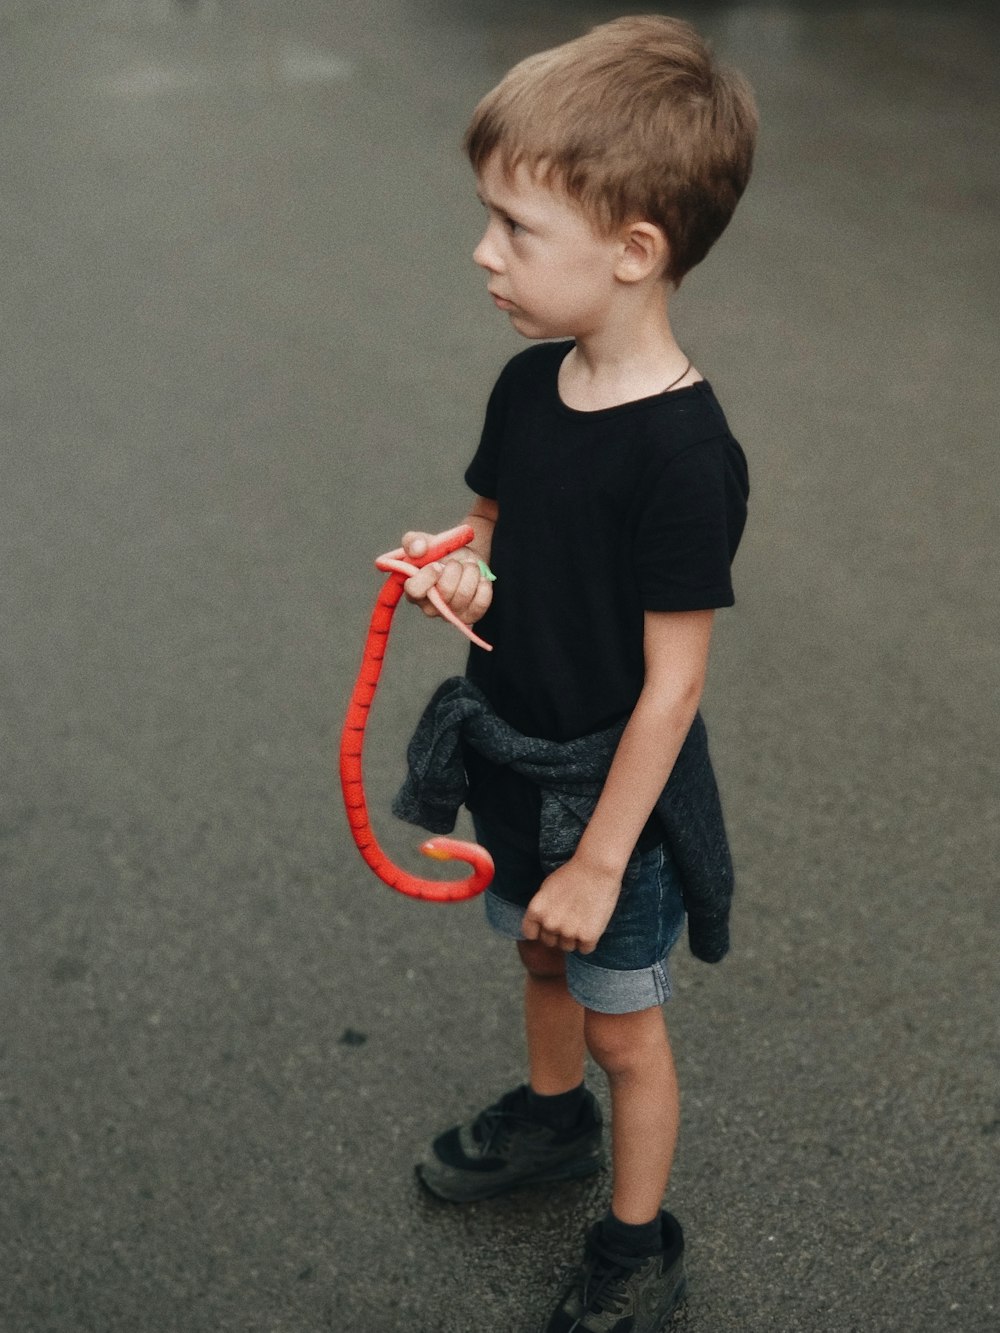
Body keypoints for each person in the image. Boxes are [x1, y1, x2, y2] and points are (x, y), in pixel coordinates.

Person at [394, 15, 757, 1331]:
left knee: (624, 1028)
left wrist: (603, 859)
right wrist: (461, 582)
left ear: (632, 249)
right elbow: (496, 549)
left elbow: (672, 688)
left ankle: (637, 1236)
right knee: (538, 964)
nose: (485, 253)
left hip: (617, 799)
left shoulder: (684, 458)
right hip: (514, 751)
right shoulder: (525, 387)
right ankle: (552, 1127)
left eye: (515, 229)